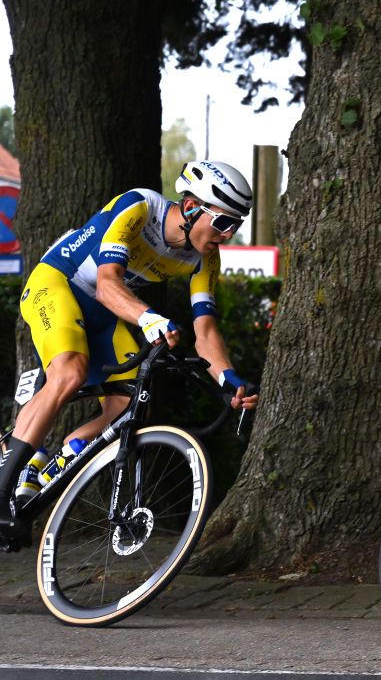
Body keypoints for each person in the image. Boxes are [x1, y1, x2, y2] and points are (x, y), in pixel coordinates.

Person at [0, 160, 260, 545]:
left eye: (235, 225)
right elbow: (107, 284)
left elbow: (205, 331)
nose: (229, 234)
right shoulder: (140, 206)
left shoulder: (204, 259)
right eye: (223, 223)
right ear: (191, 208)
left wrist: (227, 379)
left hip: (106, 316)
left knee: (128, 412)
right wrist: (147, 317)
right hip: (58, 285)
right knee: (69, 374)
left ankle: (47, 466)